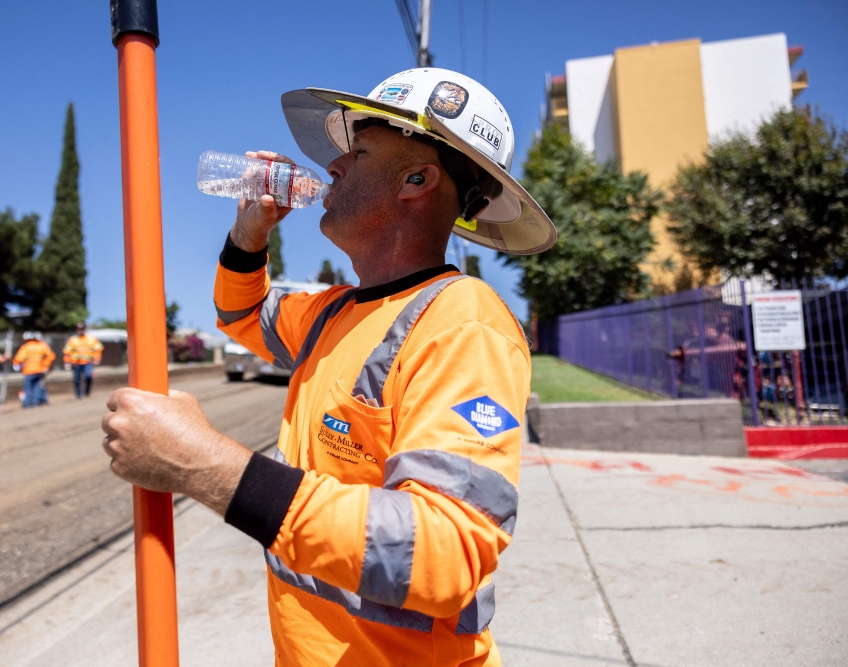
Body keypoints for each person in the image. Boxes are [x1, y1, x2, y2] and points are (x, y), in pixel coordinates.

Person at [101, 68, 556, 665]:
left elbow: (445, 552)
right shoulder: (334, 312)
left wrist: (200, 462)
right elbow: (240, 314)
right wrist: (249, 232)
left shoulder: (462, 320)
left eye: (358, 152)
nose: (331, 168)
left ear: (418, 180)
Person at [13, 331, 56, 408]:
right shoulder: (41, 346)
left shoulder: (25, 347)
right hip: (39, 370)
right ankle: (35, 404)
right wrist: (44, 365)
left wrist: (18, 363)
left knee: (27, 388)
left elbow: (18, 359)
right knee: (37, 387)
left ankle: (27, 404)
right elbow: (51, 356)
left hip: (28, 371)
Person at [63, 322, 104, 398]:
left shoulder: (90, 339)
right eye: (78, 329)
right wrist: (67, 361)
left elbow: (99, 348)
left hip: (88, 362)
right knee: (77, 379)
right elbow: (67, 352)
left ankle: (87, 392)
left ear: (84, 329)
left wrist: (97, 359)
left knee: (88, 376)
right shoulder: (72, 339)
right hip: (76, 363)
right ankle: (78, 395)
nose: (80, 330)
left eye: (81, 329)